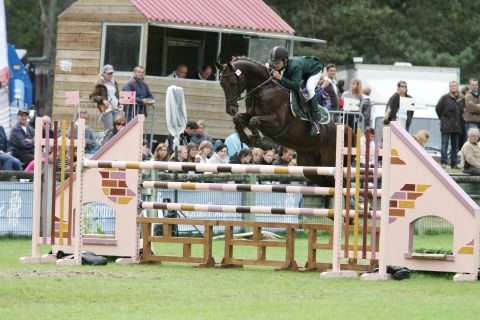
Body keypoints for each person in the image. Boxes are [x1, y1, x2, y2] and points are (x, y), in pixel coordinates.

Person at [269, 46, 324, 135]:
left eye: (278, 63)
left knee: (309, 88)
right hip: (303, 72)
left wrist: (280, 77)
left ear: (285, 60)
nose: (276, 65)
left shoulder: (295, 65)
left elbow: (295, 86)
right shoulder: (278, 64)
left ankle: (315, 122)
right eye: (274, 62)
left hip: (314, 70)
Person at [435, 80, 463, 169]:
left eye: (454, 85)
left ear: (457, 87)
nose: (453, 87)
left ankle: (454, 163)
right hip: (446, 125)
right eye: (451, 85)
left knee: (455, 146)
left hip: (457, 126)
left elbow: (463, 111)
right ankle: (444, 162)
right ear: (449, 87)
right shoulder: (444, 98)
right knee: (444, 145)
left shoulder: (461, 98)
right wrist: (442, 118)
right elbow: (437, 108)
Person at [89, 64, 122, 131]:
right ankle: (106, 141)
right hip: (106, 109)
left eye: (112, 73)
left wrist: (119, 103)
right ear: (104, 73)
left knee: (119, 129)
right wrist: (103, 100)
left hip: (115, 108)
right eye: (108, 73)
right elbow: (92, 96)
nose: (110, 75)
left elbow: (115, 95)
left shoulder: (114, 82)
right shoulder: (99, 83)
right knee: (109, 130)